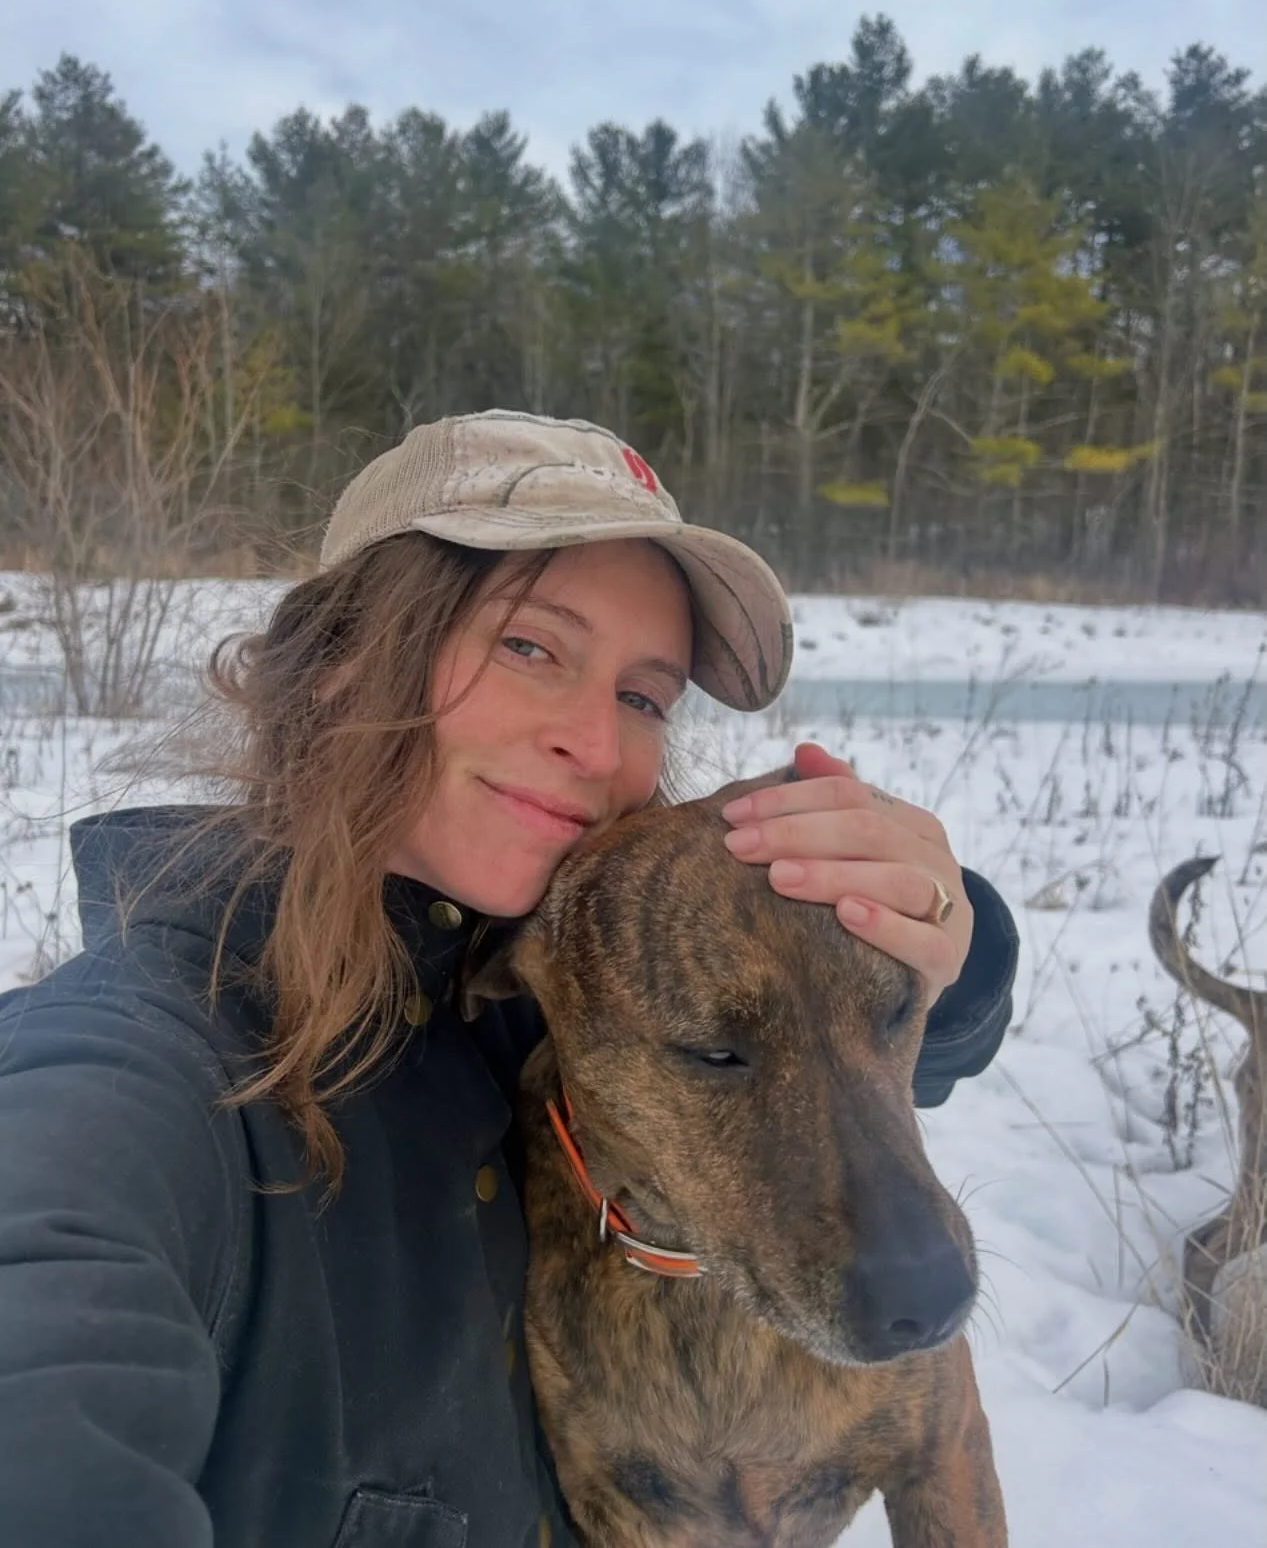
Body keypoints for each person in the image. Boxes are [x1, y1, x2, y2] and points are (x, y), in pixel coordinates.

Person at [0, 410, 1018, 1548]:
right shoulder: (132, 1068)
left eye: (644, 695)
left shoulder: (559, 962)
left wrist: (948, 948)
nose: (597, 739)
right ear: (339, 660)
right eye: (532, 647)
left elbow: (816, 1039)